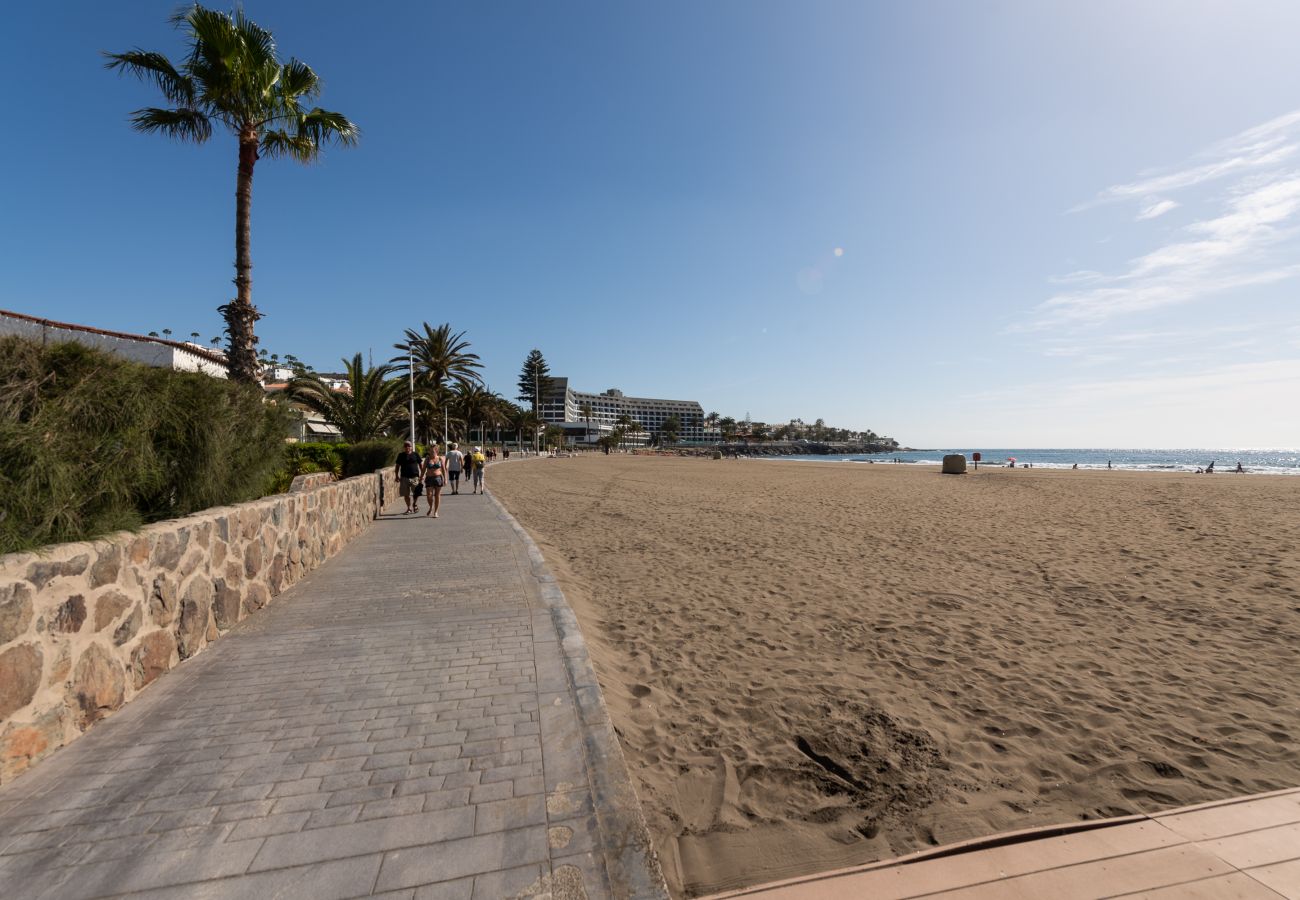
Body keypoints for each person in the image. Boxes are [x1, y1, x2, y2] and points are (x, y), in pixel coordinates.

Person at [394, 441, 423, 514]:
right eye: (406, 446)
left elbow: (420, 465)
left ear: (411, 447)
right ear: (404, 447)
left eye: (409, 446)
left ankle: (415, 504)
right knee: (406, 494)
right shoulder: (401, 455)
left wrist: (422, 475)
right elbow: (397, 466)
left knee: (416, 493)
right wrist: (396, 476)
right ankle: (409, 508)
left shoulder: (415, 454)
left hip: (415, 477)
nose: (407, 447)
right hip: (404, 477)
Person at [422, 444, 445, 517]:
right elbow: (423, 469)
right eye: (430, 451)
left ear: (436, 451)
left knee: (437, 495)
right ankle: (431, 506)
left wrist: (445, 479)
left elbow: (444, 470)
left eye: (433, 451)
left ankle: (436, 512)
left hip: (438, 478)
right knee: (429, 495)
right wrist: (421, 477)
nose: (431, 452)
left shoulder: (440, 458)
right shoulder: (427, 459)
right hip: (429, 478)